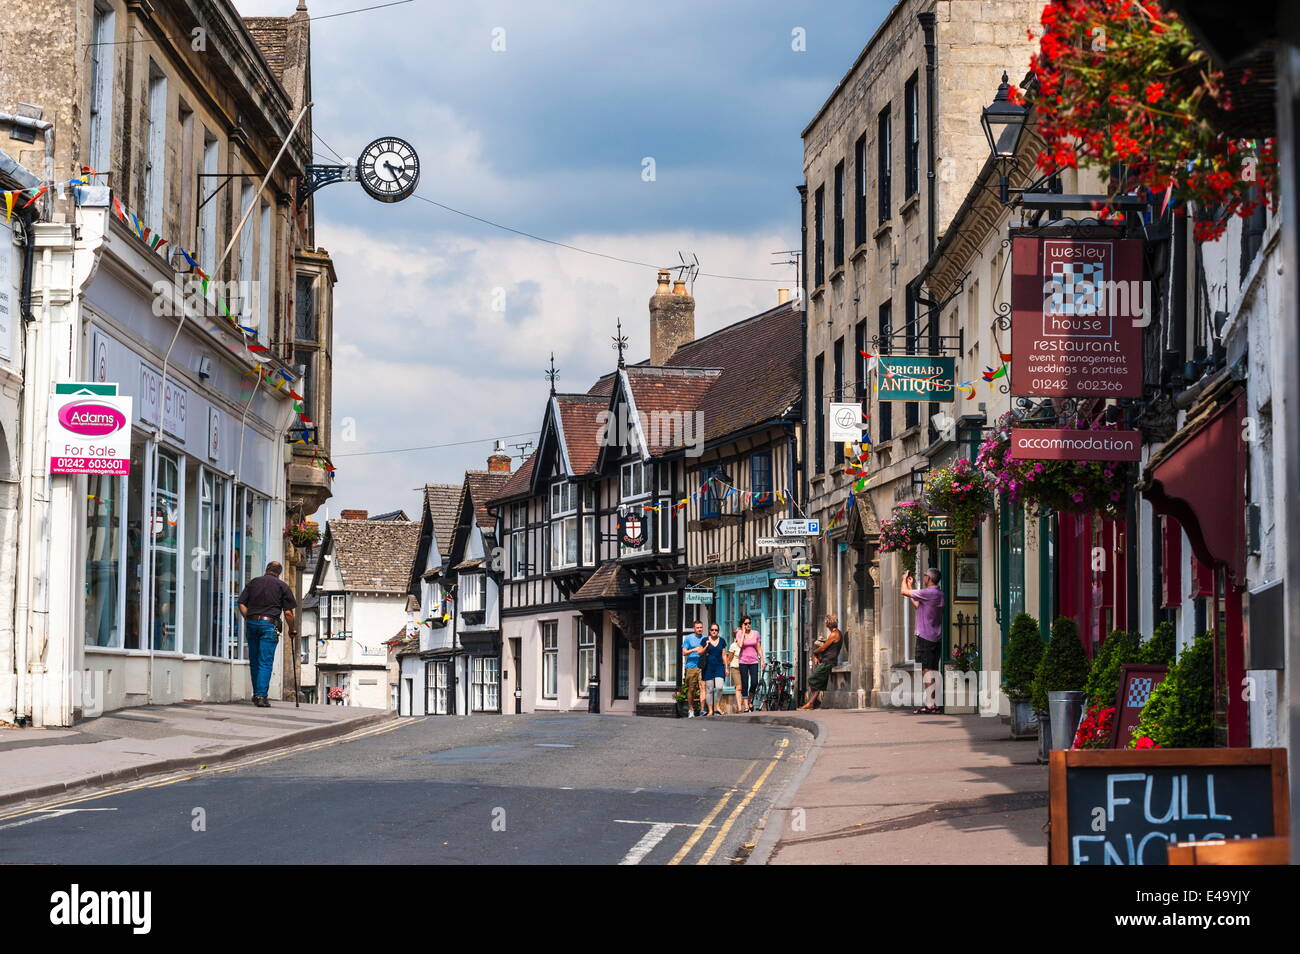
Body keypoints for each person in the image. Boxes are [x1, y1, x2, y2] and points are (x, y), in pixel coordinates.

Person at [237, 561, 297, 708]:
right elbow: (288, 613)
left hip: (252, 623)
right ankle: (261, 696)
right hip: (269, 624)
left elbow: (241, 603)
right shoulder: (282, 586)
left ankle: (257, 693)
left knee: (255, 660)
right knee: (265, 661)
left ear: (266, 570)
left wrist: (248, 617)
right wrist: (292, 629)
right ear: (279, 573)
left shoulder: (254, 582)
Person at [903, 568, 946, 714]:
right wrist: (910, 586)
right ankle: (934, 704)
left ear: (929, 578)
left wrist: (904, 580)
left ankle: (930, 704)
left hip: (925, 636)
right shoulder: (938, 594)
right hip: (935, 636)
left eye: (925, 575)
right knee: (933, 670)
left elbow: (903, 592)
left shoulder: (929, 593)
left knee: (927, 671)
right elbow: (917, 605)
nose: (924, 577)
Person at [799, 615, 842, 710]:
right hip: (827, 660)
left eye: (827, 623)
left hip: (828, 661)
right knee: (818, 682)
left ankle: (812, 702)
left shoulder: (834, 634)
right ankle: (814, 702)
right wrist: (816, 655)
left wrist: (814, 652)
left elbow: (823, 647)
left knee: (812, 679)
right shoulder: (835, 633)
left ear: (828, 624)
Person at [733, 616, 762, 713]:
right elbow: (740, 645)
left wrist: (762, 659)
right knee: (744, 683)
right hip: (743, 661)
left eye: (749, 623)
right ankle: (746, 705)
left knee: (754, 682)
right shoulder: (739, 634)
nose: (748, 625)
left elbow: (758, 647)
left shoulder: (756, 633)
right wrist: (743, 632)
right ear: (742, 625)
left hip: (754, 661)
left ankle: (750, 699)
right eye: (745, 623)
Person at [698, 623, 728, 716]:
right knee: (709, 689)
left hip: (719, 666)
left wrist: (726, 667)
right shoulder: (704, 640)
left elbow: (724, 655)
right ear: (709, 631)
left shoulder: (722, 641)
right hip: (708, 667)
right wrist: (706, 646)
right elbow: (699, 652)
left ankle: (717, 707)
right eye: (712, 630)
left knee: (719, 687)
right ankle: (711, 710)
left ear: (718, 631)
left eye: (716, 630)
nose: (714, 631)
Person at [681, 620, 706, 717]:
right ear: (694, 628)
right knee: (691, 689)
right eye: (697, 628)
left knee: (703, 687)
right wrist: (693, 650)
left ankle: (702, 709)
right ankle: (690, 709)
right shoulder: (688, 638)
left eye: (701, 627)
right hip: (691, 667)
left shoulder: (705, 638)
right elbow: (684, 652)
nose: (699, 629)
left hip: (702, 666)